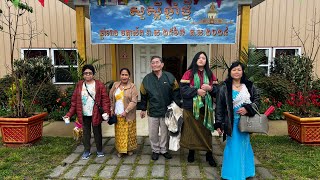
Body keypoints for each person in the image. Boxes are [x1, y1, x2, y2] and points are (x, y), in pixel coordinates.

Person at [215, 61, 260, 179]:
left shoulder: (249, 86)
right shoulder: (224, 87)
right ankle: (232, 174)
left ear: (242, 71)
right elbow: (219, 107)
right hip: (231, 123)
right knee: (233, 147)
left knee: (245, 146)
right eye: (234, 69)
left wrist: (247, 108)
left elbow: (257, 101)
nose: (236, 72)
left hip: (246, 122)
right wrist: (219, 124)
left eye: (239, 70)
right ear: (230, 72)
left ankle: (246, 172)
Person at [179, 51, 218, 167]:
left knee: (207, 131)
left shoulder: (210, 74)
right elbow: (183, 90)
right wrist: (196, 91)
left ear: (206, 61)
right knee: (191, 131)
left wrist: (210, 88)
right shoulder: (188, 74)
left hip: (207, 108)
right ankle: (191, 151)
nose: (201, 60)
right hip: (191, 108)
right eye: (199, 58)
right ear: (195, 60)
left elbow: (218, 90)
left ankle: (209, 153)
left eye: (204, 58)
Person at [64, 64, 111, 160]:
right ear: (83, 75)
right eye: (85, 73)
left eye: (90, 73)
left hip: (96, 113)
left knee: (97, 132)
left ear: (93, 74)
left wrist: (106, 111)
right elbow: (74, 101)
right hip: (83, 113)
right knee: (86, 133)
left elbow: (105, 100)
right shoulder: (80, 85)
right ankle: (86, 150)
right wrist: (69, 114)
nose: (88, 75)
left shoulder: (99, 85)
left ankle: (99, 150)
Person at [140, 56, 181, 161]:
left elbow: (176, 91)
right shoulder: (147, 79)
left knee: (165, 133)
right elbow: (143, 95)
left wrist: (175, 106)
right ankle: (155, 150)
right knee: (153, 133)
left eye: (157, 62)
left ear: (162, 64)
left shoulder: (169, 77)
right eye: (152, 63)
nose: (154, 64)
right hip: (153, 111)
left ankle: (164, 150)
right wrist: (143, 109)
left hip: (166, 111)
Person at [109, 68, 138, 158]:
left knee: (129, 132)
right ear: (120, 75)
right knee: (120, 133)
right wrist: (111, 109)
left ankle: (129, 149)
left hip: (128, 114)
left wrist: (126, 111)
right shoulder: (115, 85)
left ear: (129, 76)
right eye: (122, 74)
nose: (124, 76)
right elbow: (110, 97)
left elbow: (134, 101)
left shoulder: (132, 86)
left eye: (126, 75)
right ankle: (120, 150)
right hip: (117, 113)